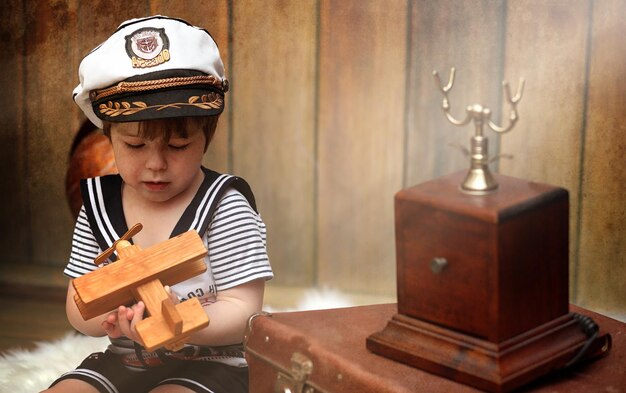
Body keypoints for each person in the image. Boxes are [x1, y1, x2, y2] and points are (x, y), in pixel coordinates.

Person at [44, 15, 273, 393]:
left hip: (212, 363)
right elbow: (78, 301)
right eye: (134, 146)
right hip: (126, 359)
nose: (156, 163)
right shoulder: (98, 207)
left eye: (178, 146)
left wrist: (175, 324)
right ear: (109, 137)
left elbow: (244, 309)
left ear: (206, 135)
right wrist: (111, 318)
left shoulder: (225, 207)